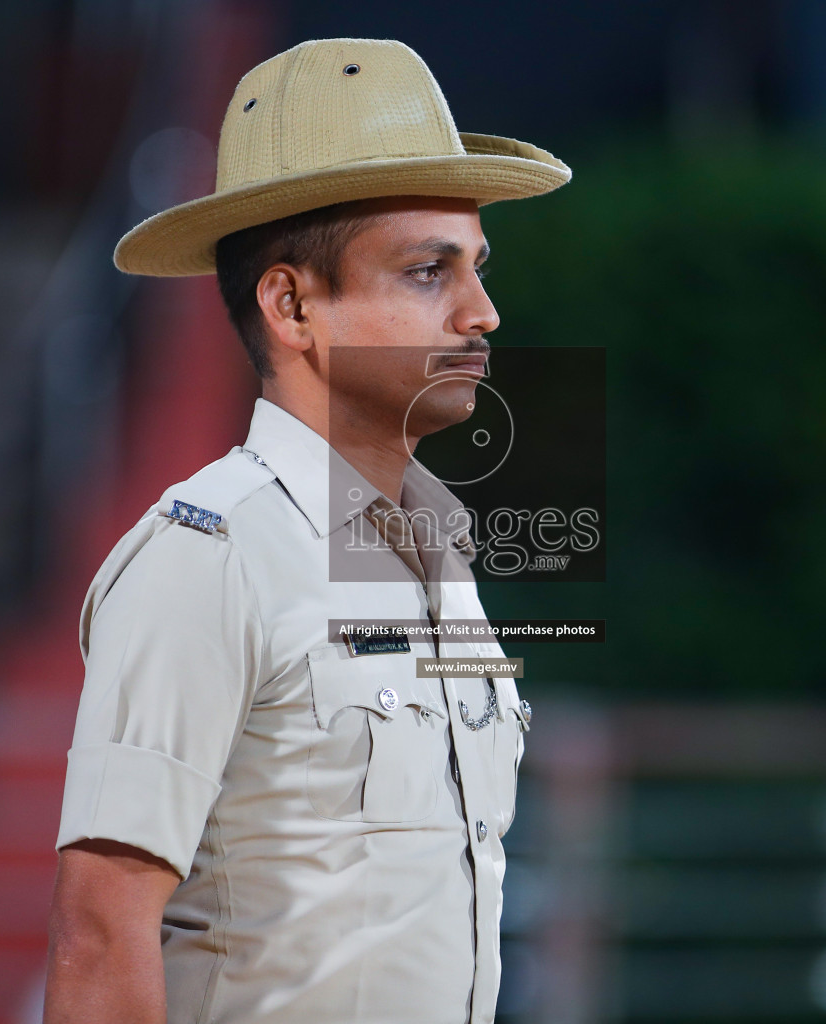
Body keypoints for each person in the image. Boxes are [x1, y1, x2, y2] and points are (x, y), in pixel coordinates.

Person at [40, 37, 570, 1024]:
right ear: (290, 305)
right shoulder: (208, 557)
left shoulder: (441, 556)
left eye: (477, 269)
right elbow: (101, 932)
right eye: (427, 272)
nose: (483, 312)